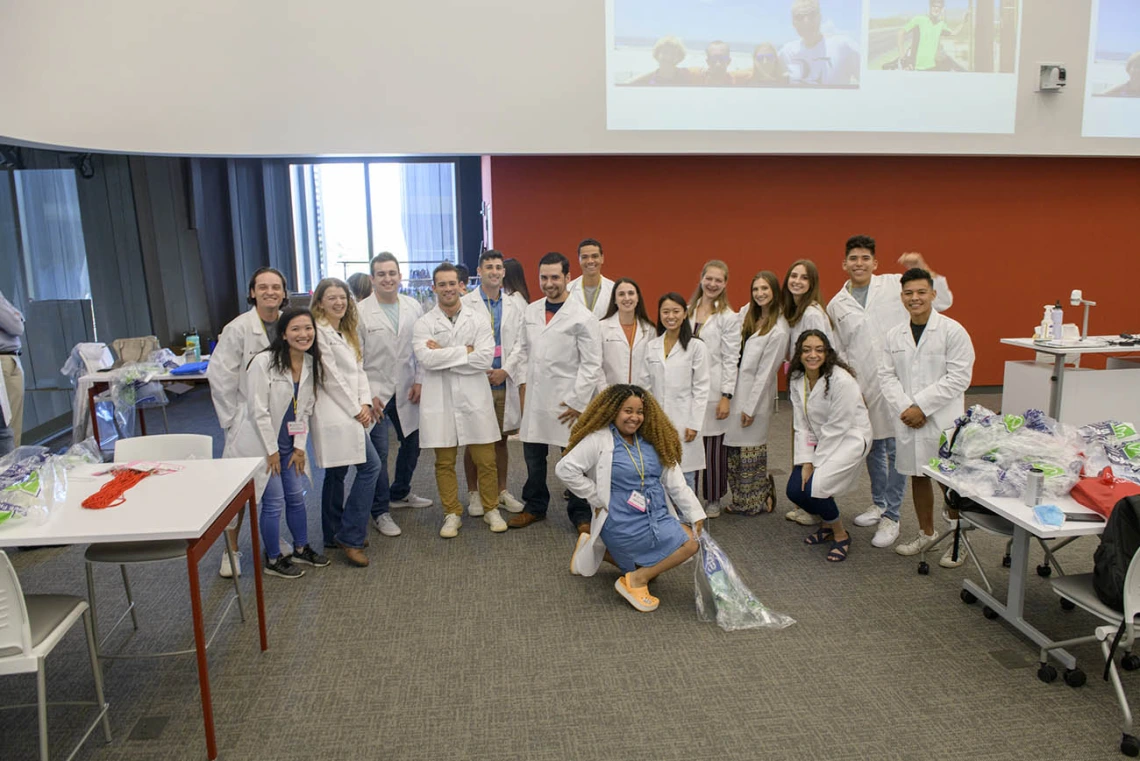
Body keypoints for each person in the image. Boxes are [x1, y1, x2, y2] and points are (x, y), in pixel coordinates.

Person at [827, 236, 953, 549]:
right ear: (844, 264)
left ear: (875, 263)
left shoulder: (896, 284)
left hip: (901, 381)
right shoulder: (836, 303)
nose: (859, 263)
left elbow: (943, 300)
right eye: (853, 258)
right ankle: (879, 502)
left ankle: (892, 516)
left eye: (865, 258)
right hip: (865, 384)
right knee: (872, 446)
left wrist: (920, 266)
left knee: (897, 451)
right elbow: (839, 348)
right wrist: (850, 385)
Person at [556, 385, 706, 612]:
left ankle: (596, 550)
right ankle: (636, 580)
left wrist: (695, 514)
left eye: (639, 412)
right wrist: (595, 497)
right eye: (628, 411)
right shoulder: (600, 439)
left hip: (655, 515)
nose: (634, 417)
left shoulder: (654, 440)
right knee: (686, 546)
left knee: (673, 551)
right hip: (620, 518)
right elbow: (565, 469)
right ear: (613, 411)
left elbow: (676, 483)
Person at [222, 308, 329, 578]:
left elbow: (304, 409)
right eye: (295, 329)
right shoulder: (264, 362)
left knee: (296, 497)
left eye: (308, 328)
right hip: (259, 445)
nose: (303, 334)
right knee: (274, 501)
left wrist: (299, 447)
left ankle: (301, 548)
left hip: (288, 445)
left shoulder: (309, 362)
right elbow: (258, 410)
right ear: (283, 333)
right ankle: (272, 558)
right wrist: (271, 453)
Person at [879, 268, 975, 564]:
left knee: (948, 482)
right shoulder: (894, 335)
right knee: (917, 476)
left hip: (941, 420)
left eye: (921, 292)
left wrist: (921, 406)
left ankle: (958, 541)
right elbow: (886, 376)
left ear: (933, 294)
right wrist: (907, 408)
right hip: (908, 419)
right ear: (902, 297)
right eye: (909, 293)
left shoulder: (952, 331)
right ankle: (927, 532)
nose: (915, 298)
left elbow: (960, 377)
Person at [414, 263, 509, 538]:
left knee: (486, 459)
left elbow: (484, 358)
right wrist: (464, 351)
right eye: (441, 284)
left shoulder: (477, 319)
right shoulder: (424, 323)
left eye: (451, 283)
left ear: (461, 286)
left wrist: (444, 353)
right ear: (434, 288)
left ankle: (491, 508)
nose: (447, 288)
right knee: (444, 461)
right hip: (440, 400)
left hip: (474, 397)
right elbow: (426, 360)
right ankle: (452, 512)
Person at [510, 252, 603, 531]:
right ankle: (535, 506)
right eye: (544, 277)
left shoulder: (583, 318)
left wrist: (578, 402)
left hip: (568, 403)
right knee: (534, 459)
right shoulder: (531, 310)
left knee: (574, 460)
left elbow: (591, 364)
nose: (549, 283)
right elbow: (522, 349)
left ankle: (581, 513)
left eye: (554, 277)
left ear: (567, 278)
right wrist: (519, 383)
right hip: (537, 400)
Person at [207, 266, 290, 578]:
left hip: (280, 415)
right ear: (252, 292)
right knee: (240, 489)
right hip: (246, 420)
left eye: (276, 287)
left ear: (284, 292)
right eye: (263, 287)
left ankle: (272, 537)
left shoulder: (287, 324)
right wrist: (231, 421)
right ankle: (231, 550)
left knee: (276, 483)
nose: (270, 292)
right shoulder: (239, 328)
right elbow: (220, 375)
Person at [357, 252, 434, 541]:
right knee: (379, 454)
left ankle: (400, 492)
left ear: (400, 276)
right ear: (372, 279)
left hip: (406, 387)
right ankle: (380, 511)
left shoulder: (414, 306)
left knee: (413, 443)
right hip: (374, 392)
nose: (388, 279)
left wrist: (420, 380)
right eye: (381, 274)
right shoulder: (360, 312)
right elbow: (355, 358)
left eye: (392, 273)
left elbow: (422, 348)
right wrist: (364, 395)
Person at [310, 278, 380, 568]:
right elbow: (330, 377)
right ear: (320, 302)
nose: (339, 302)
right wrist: (356, 409)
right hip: (335, 411)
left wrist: (364, 402)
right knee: (371, 467)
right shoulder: (318, 331)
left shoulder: (346, 330)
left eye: (343, 297)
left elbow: (358, 370)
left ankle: (332, 533)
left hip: (352, 408)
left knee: (337, 474)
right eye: (332, 298)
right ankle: (351, 534)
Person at [787, 330, 872, 563]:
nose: (812, 355)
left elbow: (838, 427)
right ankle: (825, 523)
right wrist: (806, 461)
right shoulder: (797, 379)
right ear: (799, 353)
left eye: (819, 349)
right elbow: (801, 423)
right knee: (795, 491)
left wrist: (814, 464)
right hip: (819, 438)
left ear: (827, 352)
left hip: (850, 438)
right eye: (806, 350)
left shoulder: (841, 380)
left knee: (819, 486)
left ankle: (840, 535)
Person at [460, 250, 526, 514]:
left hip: (502, 381)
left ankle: (500, 491)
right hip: (477, 381)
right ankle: (474, 493)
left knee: (500, 440)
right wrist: (483, 368)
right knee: (474, 440)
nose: (495, 272)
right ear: (480, 270)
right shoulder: (466, 303)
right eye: (489, 267)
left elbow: (522, 343)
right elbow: (461, 343)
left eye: (499, 267)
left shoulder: (514, 304)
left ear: (503, 272)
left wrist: (506, 370)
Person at [723, 272, 788, 515]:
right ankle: (741, 499)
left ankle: (759, 499)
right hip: (734, 393)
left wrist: (750, 408)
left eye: (765, 289)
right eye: (756, 289)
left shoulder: (778, 329)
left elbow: (766, 373)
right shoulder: (748, 316)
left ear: (775, 291)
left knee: (750, 453)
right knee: (733, 453)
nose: (760, 293)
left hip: (754, 400)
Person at [639, 293, 710, 491]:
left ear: (685, 314)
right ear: (660, 315)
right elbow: (644, 386)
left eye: (676, 311)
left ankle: (690, 521)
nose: (671, 316)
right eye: (666, 311)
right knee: (658, 475)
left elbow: (701, 388)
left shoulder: (696, 347)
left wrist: (694, 424)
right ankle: (665, 520)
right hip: (657, 421)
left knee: (684, 477)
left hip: (685, 422)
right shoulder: (652, 346)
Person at [687, 260, 739, 518]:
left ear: (725, 284)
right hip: (688, 390)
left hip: (714, 391)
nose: (712, 284)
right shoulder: (688, 310)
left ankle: (714, 499)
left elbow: (731, 358)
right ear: (701, 278)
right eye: (709, 278)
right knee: (689, 442)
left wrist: (726, 396)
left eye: (718, 280)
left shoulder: (729, 318)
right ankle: (689, 495)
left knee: (714, 448)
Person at [779, 0, 860, 86]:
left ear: (820, 17)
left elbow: (870, 83)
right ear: (793, 23)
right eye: (799, 17)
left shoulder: (844, 47)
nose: (806, 21)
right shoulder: (787, 52)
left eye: (811, 15)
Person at [599, 278, 655, 387]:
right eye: (621, 294)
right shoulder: (601, 328)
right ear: (614, 300)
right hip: (610, 396)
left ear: (637, 298)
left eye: (631, 293)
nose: (627, 298)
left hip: (640, 396)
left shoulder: (650, 330)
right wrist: (606, 393)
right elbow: (596, 366)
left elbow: (652, 367)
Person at [892, 0, 969, 72]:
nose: (936, 9)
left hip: (931, 68)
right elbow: (900, 33)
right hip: (915, 67)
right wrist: (903, 58)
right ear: (930, 7)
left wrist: (963, 22)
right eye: (934, 6)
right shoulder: (919, 19)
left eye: (939, 7)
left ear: (942, 10)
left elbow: (953, 33)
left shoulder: (941, 24)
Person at [782, 258, 833, 361]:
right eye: (794, 276)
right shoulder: (795, 310)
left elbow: (818, 356)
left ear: (812, 283)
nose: (797, 281)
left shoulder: (812, 315)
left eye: (804, 278)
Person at [565, 238, 614, 321]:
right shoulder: (567, 290)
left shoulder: (614, 289)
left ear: (602, 258)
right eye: (584, 257)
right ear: (579, 260)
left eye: (594, 256)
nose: (590, 261)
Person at [0, 289, 23, 456]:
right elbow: (16, 325)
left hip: (6, 362)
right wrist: (17, 316)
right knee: (8, 429)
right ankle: (10, 475)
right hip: (5, 363)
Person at [627, 36, 696, 87]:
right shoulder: (650, 80)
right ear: (657, 54)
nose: (668, 57)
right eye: (665, 52)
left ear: (679, 57)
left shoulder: (686, 76)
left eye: (673, 53)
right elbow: (626, 85)